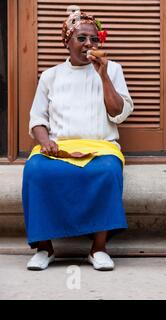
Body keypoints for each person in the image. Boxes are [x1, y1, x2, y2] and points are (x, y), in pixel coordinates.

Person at [22, 11, 133, 271]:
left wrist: (103, 75)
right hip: (59, 148)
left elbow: (118, 113)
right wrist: (45, 141)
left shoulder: (113, 69)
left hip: (101, 147)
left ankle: (98, 248)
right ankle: (44, 247)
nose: (88, 45)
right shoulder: (51, 76)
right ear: (67, 42)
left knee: (108, 170)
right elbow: (37, 119)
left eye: (94, 39)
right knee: (35, 170)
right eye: (81, 38)